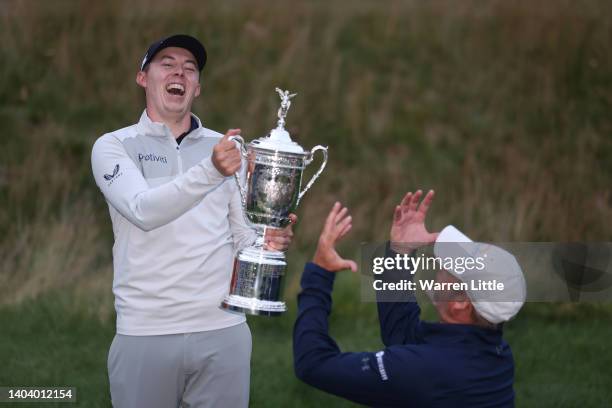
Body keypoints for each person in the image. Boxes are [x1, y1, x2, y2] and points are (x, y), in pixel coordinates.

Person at [91, 34, 294, 408]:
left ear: (197, 87)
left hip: (224, 331)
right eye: (167, 64)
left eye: (190, 69)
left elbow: (242, 236)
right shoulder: (113, 146)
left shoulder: (229, 149)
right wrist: (212, 170)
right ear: (143, 78)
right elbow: (143, 210)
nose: (179, 73)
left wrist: (267, 242)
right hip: (145, 332)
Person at [293, 190, 526, 407]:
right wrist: (399, 253)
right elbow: (403, 337)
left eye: (449, 268)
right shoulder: (494, 353)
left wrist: (320, 273)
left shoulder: (426, 369)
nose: (439, 267)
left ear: (461, 302)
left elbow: (313, 364)